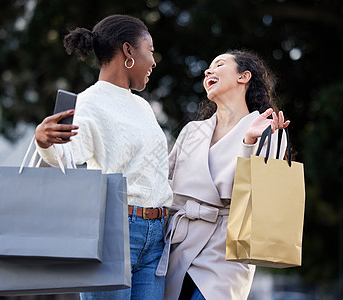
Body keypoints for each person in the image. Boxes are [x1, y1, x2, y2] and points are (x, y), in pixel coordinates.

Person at [34, 14, 172, 299]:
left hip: (157, 234)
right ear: (128, 51)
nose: (154, 61)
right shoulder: (89, 103)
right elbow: (66, 156)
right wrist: (43, 142)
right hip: (115, 229)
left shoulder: (144, 107)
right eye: (150, 50)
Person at [156, 49, 290, 299]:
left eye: (219, 64)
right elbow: (163, 187)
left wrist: (249, 142)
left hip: (226, 252)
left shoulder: (267, 129)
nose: (209, 71)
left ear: (244, 76)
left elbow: (259, 197)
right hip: (177, 245)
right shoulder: (191, 131)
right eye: (208, 67)